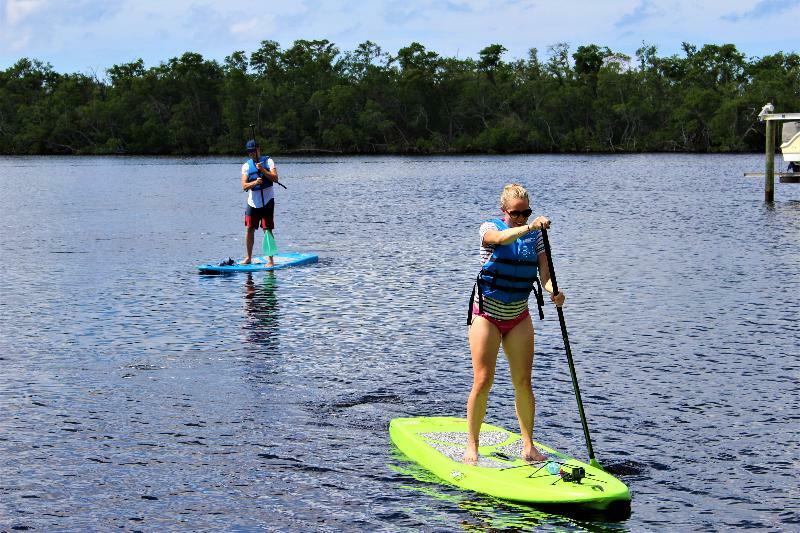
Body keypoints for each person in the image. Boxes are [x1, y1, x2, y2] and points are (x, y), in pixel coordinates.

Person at [464, 183, 566, 465]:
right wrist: (530, 227)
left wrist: (553, 292)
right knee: (483, 380)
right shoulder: (489, 228)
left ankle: (529, 446)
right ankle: (472, 446)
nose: (521, 217)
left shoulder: (537, 238)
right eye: (516, 213)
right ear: (504, 211)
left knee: (523, 382)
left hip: (518, 314)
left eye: (526, 213)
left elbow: (544, 274)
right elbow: (500, 239)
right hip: (486, 314)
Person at [240, 139, 280, 265]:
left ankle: (270, 260)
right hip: (253, 202)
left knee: (267, 229)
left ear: (258, 149)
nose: (252, 154)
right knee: (249, 228)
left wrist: (262, 170)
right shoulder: (246, 166)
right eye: (249, 152)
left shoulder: (268, 161)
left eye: (253, 151)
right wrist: (255, 182)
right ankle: (248, 257)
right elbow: (244, 186)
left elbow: (275, 178)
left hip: (267, 200)